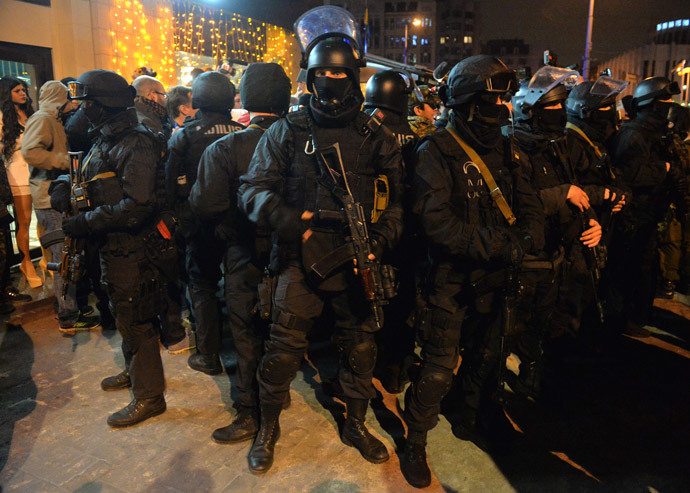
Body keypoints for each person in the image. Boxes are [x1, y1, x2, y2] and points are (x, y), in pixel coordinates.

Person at [238, 5, 403, 474]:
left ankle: (354, 424)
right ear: (309, 79)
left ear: (354, 78)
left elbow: (398, 203)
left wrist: (381, 240)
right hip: (297, 257)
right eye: (323, 72)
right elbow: (252, 188)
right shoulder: (287, 131)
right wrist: (284, 218)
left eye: (340, 72)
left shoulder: (377, 136)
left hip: (358, 257)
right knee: (281, 353)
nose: (332, 80)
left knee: (361, 350)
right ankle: (267, 427)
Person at [398, 55, 544, 488]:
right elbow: (437, 223)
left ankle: (468, 415)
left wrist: (527, 241)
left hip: (499, 278)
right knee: (439, 367)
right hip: (451, 280)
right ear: (462, 104)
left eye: (503, 100)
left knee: (489, 355)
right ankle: (416, 442)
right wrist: (503, 246)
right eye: (489, 101)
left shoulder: (508, 147)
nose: (499, 109)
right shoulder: (435, 151)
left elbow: (531, 204)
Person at [190, 62, 292, 444]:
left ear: (244, 98)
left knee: (246, 335)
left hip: (243, 254)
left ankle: (252, 413)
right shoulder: (303, 141)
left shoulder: (225, 147)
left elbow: (205, 205)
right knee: (286, 334)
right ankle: (276, 402)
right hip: (292, 254)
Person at [62, 69, 168, 427]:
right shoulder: (107, 137)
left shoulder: (135, 141)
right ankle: (134, 371)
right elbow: (93, 178)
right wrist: (68, 188)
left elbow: (138, 205)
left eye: (88, 102)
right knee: (122, 312)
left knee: (137, 319)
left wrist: (86, 221)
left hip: (132, 249)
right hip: (112, 247)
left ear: (104, 104)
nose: (82, 109)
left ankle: (150, 396)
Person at [507, 66, 603, 399]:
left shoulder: (557, 145)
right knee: (514, 330)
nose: (558, 113)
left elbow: (578, 190)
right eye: (550, 107)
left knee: (550, 326)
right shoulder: (513, 145)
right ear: (528, 110)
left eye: (561, 105)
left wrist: (591, 221)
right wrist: (561, 193)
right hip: (528, 256)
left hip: (559, 253)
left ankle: (536, 379)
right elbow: (514, 202)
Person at [167, 71, 244, 374]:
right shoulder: (243, 132)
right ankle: (247, 351)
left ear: (197, 100)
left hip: (198, 225)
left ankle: (208, 354)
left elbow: (171, 186)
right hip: (239, 223)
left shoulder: (184, 136)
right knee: (240, 286)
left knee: (202, 286)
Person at [21, 80, 101, 332]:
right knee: (63, 259)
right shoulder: (43, 118)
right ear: (59, 98)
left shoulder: (52, 117)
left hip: (54, 197)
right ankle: (68, 316)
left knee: (67, 256)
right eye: (69, 97)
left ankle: (71, 306)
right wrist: (65, 161)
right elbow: (30, 152)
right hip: (48, 200)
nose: (74, 102)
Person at [608, 76, 685, 335]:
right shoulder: (634, 133)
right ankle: (622, 322)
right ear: (650, 105)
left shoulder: (655, 133)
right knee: (629, 270)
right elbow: (629, 173)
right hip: (633, 216)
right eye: (664, 101)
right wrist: (663, 169)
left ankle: (639, 316)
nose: (668, 106)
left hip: (650, 214)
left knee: (644, 268)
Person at [363, 69, 420, 394]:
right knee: (403, 304)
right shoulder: (416, 136)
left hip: (371, 232)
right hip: (408, 235)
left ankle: (367, 366)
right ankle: (395, 371)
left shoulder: (364, 133)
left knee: (367, 301)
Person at [0, 77, 42, 289]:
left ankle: (45, 258)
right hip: (16, 172)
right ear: (7, 93)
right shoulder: (2, 118)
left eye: (24, 89)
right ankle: (26, 262)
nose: (23, 93)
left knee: (43, 217)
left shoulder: (31, 114)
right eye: (17, 90)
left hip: (37, 170)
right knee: (23, 220)